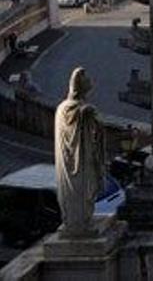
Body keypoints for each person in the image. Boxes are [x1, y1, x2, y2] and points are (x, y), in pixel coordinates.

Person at [54, 67, 104, 236]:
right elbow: (90, 126)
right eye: (85, 81)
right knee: (80, 192)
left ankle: (81, 220)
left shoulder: (67, 109)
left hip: (80, 158)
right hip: (78, 161)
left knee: (82, 192)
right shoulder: (75, 109)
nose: (89, 81)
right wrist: (87, 115)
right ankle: (78, 223)